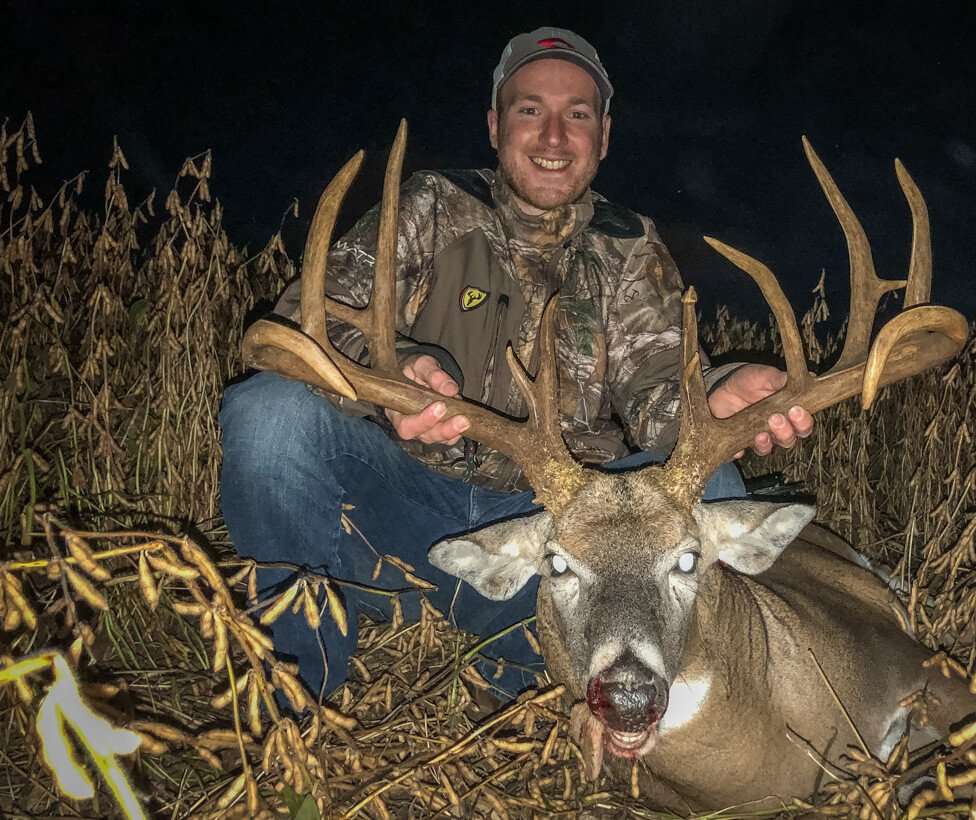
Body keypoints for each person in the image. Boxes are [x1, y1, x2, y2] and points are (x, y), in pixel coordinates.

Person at [219, 26, 813, 703]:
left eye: (577, 115)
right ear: (496, 124)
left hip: (561, 535)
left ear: (604, 136)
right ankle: (298, 703)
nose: (554, 136)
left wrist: (713, 396)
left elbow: (659, 387)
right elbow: (290, 332)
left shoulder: (628, 246)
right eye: (531, 110)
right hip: (402, 509)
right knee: (267, 414)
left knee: (718, 490)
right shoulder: (432, 206)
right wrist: (388, 379)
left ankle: (634, 691)